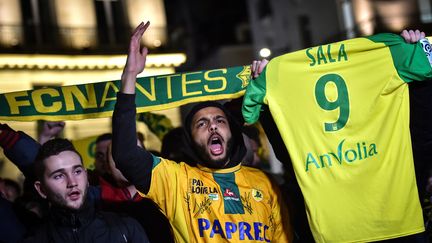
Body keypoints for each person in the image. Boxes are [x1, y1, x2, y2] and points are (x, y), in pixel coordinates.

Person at [242, 29, 432, 242]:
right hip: (398, 224)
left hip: (344, 232)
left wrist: (269, 96)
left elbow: (422, 131)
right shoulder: (387, 55)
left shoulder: (277, 75)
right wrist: (417, 52)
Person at [111, 21, 293, 242]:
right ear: (191, 140)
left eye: (219, 120)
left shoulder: (266, 183)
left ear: (233, 132)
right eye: (201, 124)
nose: (212, 126)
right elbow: (126, 155)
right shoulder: (176, 180)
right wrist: (129, 77)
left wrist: (266, 93)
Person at [23, 138, 150, 242]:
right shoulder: (35, 239)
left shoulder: (126, 229)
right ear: (41, 190)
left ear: (87, 177)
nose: (72, 183)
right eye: (59, 176)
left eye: (77, 171)